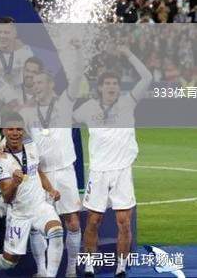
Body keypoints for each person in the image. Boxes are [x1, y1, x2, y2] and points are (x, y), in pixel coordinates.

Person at [73, 45, 152, 278]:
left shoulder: (128, 102)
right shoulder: (87, 108)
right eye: (107, 83)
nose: (111, 87)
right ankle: (89, 264)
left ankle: (121, 267)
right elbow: (66, 118)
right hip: (98, 172)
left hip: (122, 172)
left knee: (124, 222)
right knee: (93, 221)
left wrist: (129, 54)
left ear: (119, 88)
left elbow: (147, 77)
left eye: (115, 84)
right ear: (99, 87)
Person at [19, 38, 83, 277]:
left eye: (40, 82)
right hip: (41, 175)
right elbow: (23, 142)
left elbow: (77, 78)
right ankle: (42, 271)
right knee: (38, 225)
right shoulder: (27, 112)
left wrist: (77, 52)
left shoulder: (64, 104)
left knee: (72, 222)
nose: (35, 86)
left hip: (65, 171)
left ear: (49, 84)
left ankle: (71, 269)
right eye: (33, 83)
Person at [0, 112, 64, 277]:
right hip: (19, 214)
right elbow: (7, 198)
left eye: (19, 129)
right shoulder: (1, 160)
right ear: (4, 131)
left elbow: (38, 171)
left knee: (56, 232)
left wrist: (50, 189)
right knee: (8, 262)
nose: (15, 133)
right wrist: (14, 182)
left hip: (40, 207)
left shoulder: (32, 146)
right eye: (10, 129)